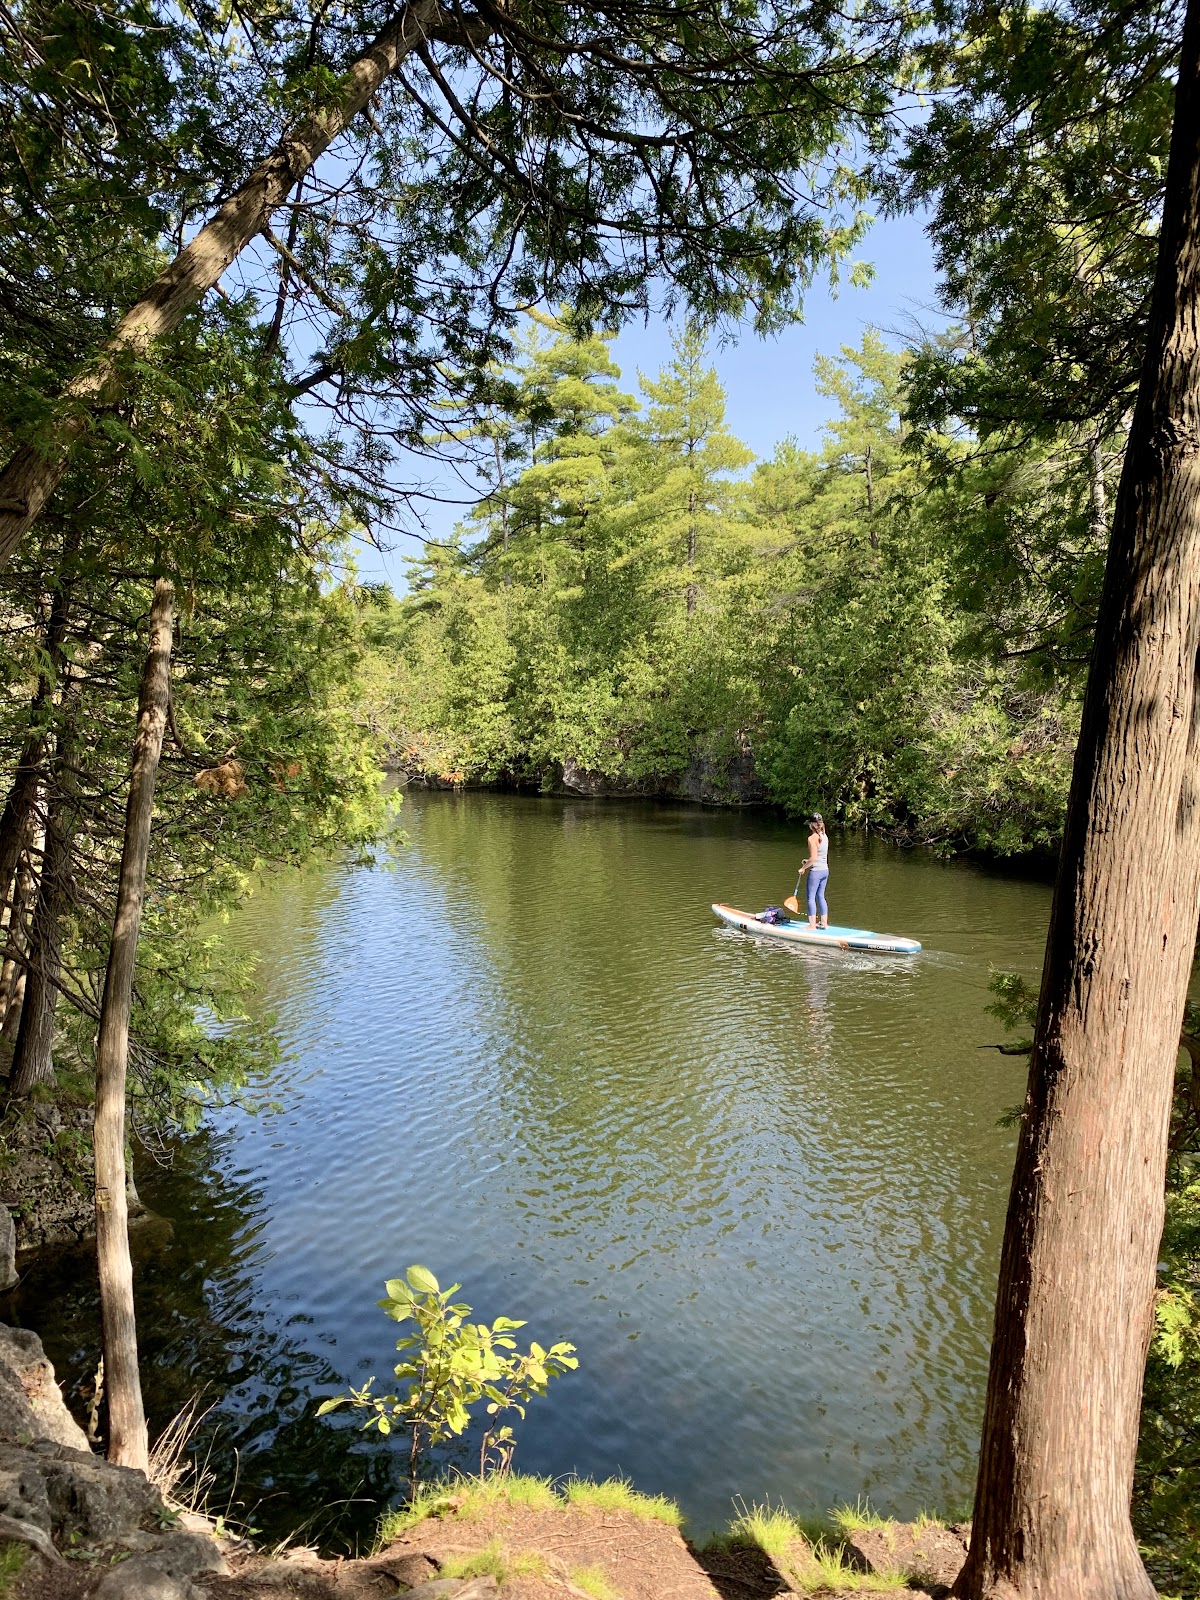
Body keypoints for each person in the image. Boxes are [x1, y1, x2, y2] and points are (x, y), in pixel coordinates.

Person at [799, 812, 830, 929]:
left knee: (811, 898)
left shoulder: (812, 838)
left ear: (811, 825)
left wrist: (803, 868)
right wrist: (806, 862)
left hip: (816, 872)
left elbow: (813, 858)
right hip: (825, 870)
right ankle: (824, 923)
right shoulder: (824, 836)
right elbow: (819, 856)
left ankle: (812, 925)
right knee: (821, 896)